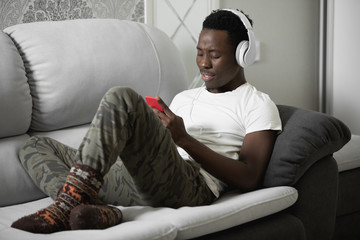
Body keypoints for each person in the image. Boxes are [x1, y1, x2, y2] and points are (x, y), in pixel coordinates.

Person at [11, 9, 281, 233]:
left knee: (122, 97)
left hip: (192, 185)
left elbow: (249, 177)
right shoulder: (185, 97)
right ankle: (102, 211)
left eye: (215, 55)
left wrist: (184, 139)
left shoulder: (257, 104)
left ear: (242, 54)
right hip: (138, 178)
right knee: (32, 146)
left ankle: (66, 204)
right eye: (200, 52)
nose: (203, 63)